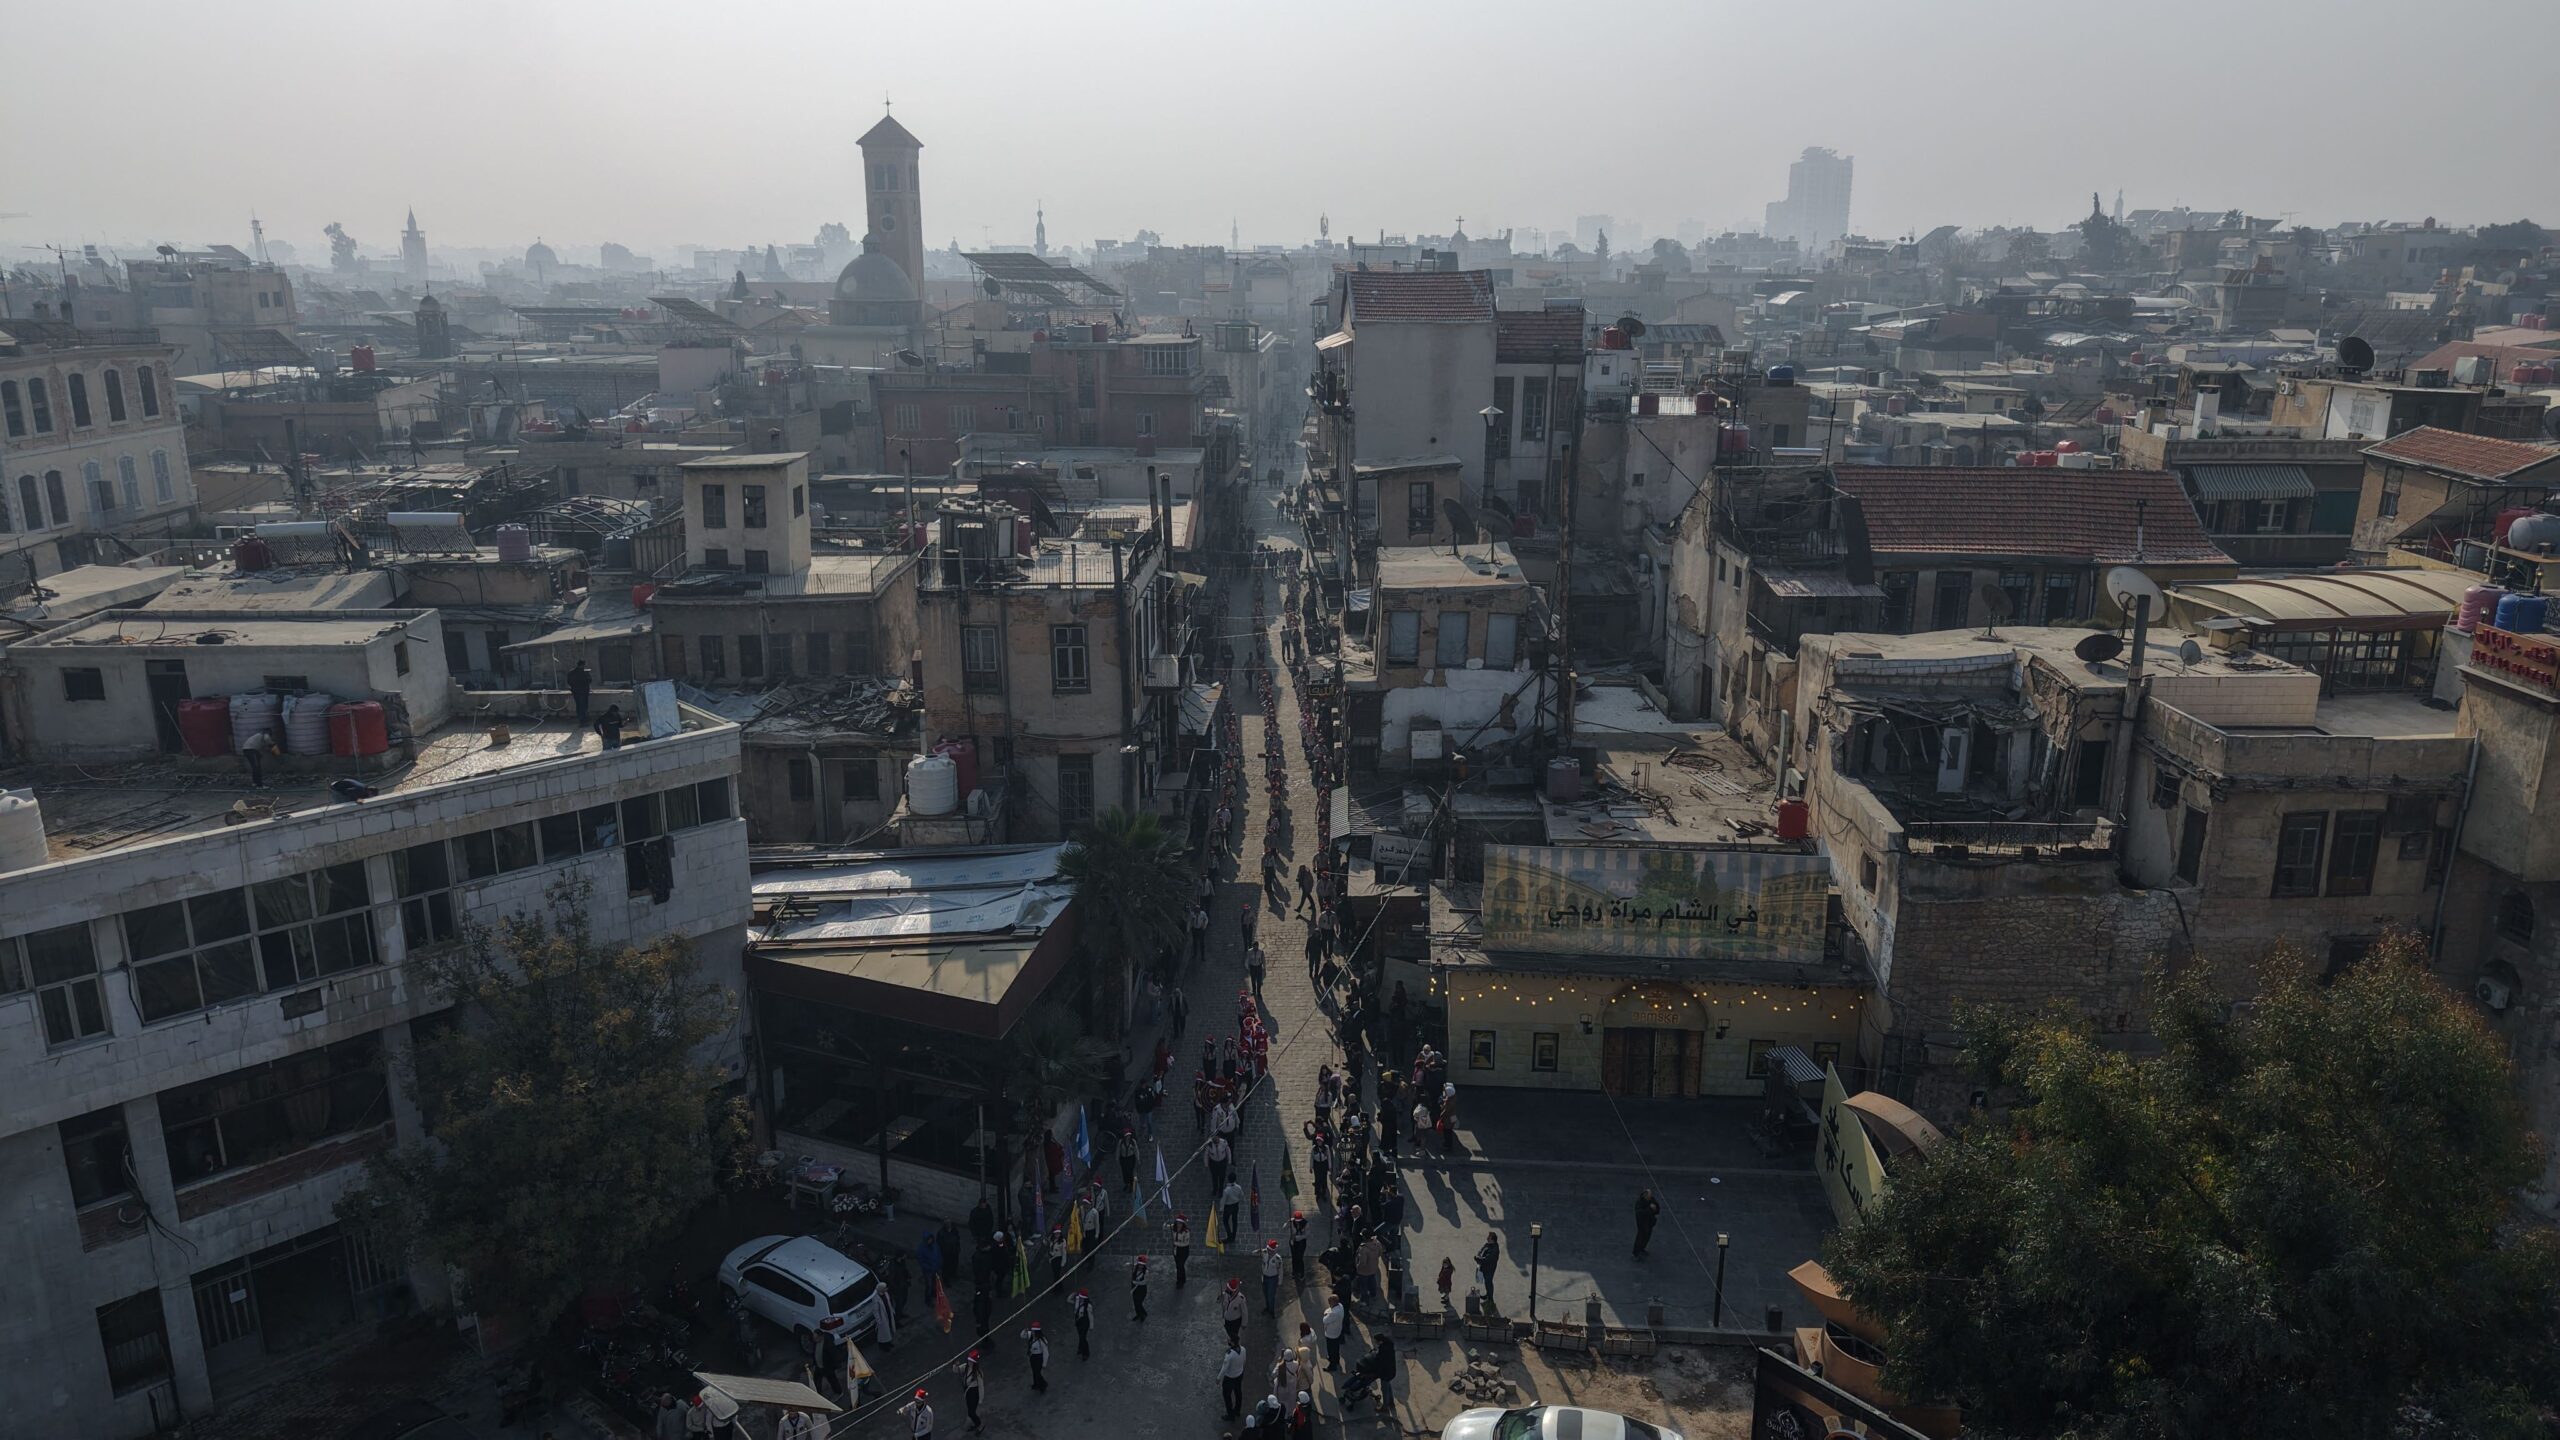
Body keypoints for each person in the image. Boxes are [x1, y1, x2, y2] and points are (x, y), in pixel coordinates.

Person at [949, 1353, 983, 1433]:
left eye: (971, 1361)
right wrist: (955, 1365)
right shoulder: (966, 1366)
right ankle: (977, 1423)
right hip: (967, 1392)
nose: (969, 1362)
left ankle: (979, 1425)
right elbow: (956, 1370)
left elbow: (981, 1386)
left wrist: (980, 1399)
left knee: (971, 1413)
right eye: (969, 1361)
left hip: (974, 1393)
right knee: (970, 1411)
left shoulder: (978, 1372)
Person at [1219, 1341, 1248, 1420]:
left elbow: (1224, 1368)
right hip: (1239, 1375)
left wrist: (1219, 1378)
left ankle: (1230, 1415)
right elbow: (1244, 1361)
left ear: (1232, 1342)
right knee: (1238, 1392)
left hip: (1230, 1378)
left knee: (1227, 1396)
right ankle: (1237, 1410)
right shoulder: (1243, 1349)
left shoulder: (1229, 1354)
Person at [1354, 1232, 1384, 1307]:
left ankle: (1364, 1301)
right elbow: (1380, 1253)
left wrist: (1357, 1267)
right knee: (1372, 1280)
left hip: (1364, 1271)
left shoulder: (1363, 1248)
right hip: (1374, 1267)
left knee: (1364, 1285)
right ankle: (1373, 1294)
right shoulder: (1377, 1243)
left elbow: (1362, 1262)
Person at [1019, 1321, 1049, 1394]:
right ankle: (1036, 1384)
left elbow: (1046, 1353)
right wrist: (1024, 1331)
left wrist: (1044, 1364)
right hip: (1033, 1357)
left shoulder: (1042, 1340)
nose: (1032, 1332)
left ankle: (1043, 1385)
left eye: (1033, 1331)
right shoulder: (1031, 1335)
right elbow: (1022, 1336)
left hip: (1039, 1358)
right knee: (1034, 1372)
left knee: (1037, 1373)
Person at [1320, 1295, 1347, 1372]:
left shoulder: (1333, 1313)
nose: (1329, 1303)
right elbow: (1329, 1310)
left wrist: (1325, 1314)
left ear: (1333, 1302)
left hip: (1331, 1334)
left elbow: (1325, 1320)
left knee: (1331, 1349)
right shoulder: (1340, 1306)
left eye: (1330, 1302)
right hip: (1337, 1330)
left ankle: (1332, 1365)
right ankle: (1336, 1360)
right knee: (1336, 1347)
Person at [1475, 1231, 1502, 1306]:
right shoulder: (1488, 1244)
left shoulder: (1494, 1249)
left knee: (1489, 1282)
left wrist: (1477, 1259)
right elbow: (1482, 1249)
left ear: (1492, 1239)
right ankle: (1488, 1295)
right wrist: (1479, 1254)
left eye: (1488, 1237)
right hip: (1485, 1267)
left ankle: (1490, 1299)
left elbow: (1487, 1259)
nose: (1487, 1238)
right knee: (1487, 1283)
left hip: (1489, 1268)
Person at [1633, 1188, 1661, 1259]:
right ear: (1645, 1196)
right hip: (1642, 1222)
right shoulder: (1639, 1202)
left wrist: (1655, 1209)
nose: (1650, 1197)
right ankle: (1636, 1252)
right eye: (1649, 1195)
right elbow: (1640, 1213)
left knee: (1647, 1236)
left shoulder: (1652, 1199)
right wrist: (1650, 1208)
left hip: (1649, 1221)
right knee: (1640, 1237)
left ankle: (1642, 1248)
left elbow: (1657, 1208)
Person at [1260, 1238, 1283, 1316]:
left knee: (1271, 1296)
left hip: (1272, 1279)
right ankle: (1267, 1307)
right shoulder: (1264, 1253)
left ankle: (1271, 1311)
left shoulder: (1278, 1259)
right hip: (1264, 1277)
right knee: (1265, 1294)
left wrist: (1280, 1281)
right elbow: (1260, 1251)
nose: (1268, 1251)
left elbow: (1280, 1270)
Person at [1221, 1278, 1247, 1344]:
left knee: (1234, 1334)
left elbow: (1244, 1312)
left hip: (1235, 1321)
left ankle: (1235, 1344)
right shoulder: (1227, 1293)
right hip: (1227, 1319)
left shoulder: (1241, 1298)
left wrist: (1244, 1323)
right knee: (1228, 1331)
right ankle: (1231, 1341)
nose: (1226, 1289)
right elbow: (1224, 1299)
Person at [567, 660, 593, 724]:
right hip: (583, 692)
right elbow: (589, 681)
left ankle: (580, 719)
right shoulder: (583, 673)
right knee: (583, 706)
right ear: (582, 665)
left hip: (575, 691)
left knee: (578, 705)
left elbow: (569, 682)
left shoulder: (571, 672)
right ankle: (583, 721)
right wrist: (588, 674)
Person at [1070, 1287, 1094, 1359]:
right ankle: (1080, 1348)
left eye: (1081, 1298)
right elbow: (1068, 1300)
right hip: (1078, 1321)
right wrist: (1072, 1295)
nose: (1080, 1299)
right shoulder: (1077, 1301)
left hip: (1085, 1322)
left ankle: (1086, 1353)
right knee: (1080, 1336)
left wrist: (1091, 1326)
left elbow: (1090, 1316)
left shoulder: (1088, 1306)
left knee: (1083, 1338)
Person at [1287, 1209, 1309, 1283]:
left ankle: (1301, 1273)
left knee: (1299, 1258)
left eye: (1298, 1221)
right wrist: (1287, 1223)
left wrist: (1298, 1237)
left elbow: (1306, 1235)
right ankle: (1294, 1271)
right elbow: (1284, 1228)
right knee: (1294, 1258)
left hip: (1301, 1243)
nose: (1297, 1222)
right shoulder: (1292, 1221)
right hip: (1293, 1242)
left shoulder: (1306, 1223)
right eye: (1296, 1220)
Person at [1221, 1177, 1245, 1243]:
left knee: (1225, 1221)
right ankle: (1233, 1236)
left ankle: (1229, 1236)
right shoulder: (1238, 1187)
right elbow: (1242, 1195)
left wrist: (1221, 1208)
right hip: (1235, 1206)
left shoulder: (1226, 1190)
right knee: (1234, 1221)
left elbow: (1223, 1200)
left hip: (1228, 1207)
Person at [1171, 1214, 1193, 1286]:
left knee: (1180, 1265)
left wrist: (1175, 1243)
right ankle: (1181, 1279)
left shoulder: (1186, 1232)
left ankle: (1180, 1281)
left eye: (1180, 1223)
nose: (1178, 1225)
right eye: (1177, 1223)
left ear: (1183, 1224)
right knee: (1178, 1266)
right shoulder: (1174, 1229)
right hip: (1176, 1250)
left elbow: (1186, 1243)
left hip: (1184, 1250)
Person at [1129, 1253, 1151, 1322]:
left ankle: (1143, 1315)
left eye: (1142, 1264)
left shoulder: (1146, 1272)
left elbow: (1145, 1282)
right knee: (1135, 1303)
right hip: (1135, 1289)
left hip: (1142, 1290)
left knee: (1139, 1303)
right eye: (1139, 1264)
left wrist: (1136, 1282)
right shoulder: (1135, 1267)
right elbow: (1131, 1265)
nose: (1140, 1266)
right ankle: (1138, 1314)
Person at [1118, 1128, 1139, 1192]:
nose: (1128, 1137)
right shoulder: (1121, 1142)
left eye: (1129, 1135)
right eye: (1127, 1136)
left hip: (1131, 1159)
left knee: (1130, 1173)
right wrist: (1117, 1159)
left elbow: (1136, 1151)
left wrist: (1138, 1159)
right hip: (1123, 1159)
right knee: (1125, 1173)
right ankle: (1126, 1184)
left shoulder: (1133, 1142)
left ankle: (1131, 1185)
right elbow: (1118, 1150)